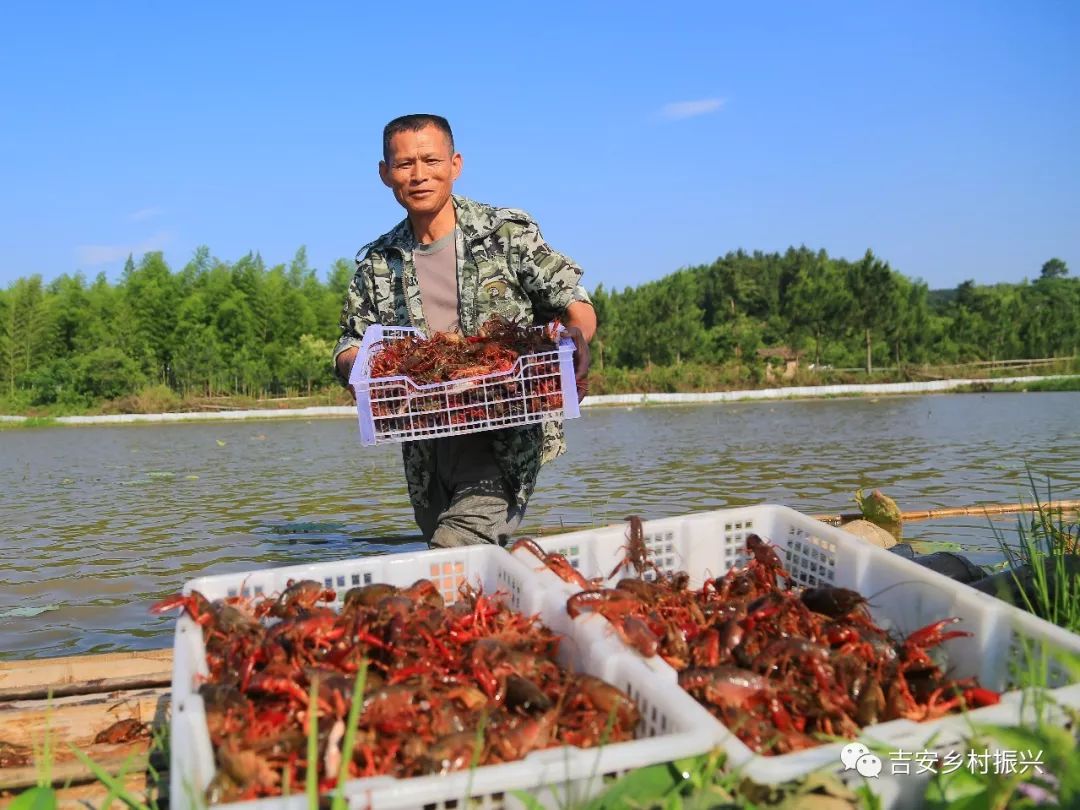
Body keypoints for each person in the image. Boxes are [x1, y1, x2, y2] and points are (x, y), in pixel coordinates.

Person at [333, 114, 597, 549]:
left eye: (431, 160)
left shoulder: (505, 233)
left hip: (506, 436)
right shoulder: (378, 262)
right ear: (385, 174)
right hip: (426, 446)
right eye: (404, 165)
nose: (419, 175)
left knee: (451, 550)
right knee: (459, 568)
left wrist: (577, 339)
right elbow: (350, 341)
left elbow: (574, 303)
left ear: (455, 164)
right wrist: (358, 368)